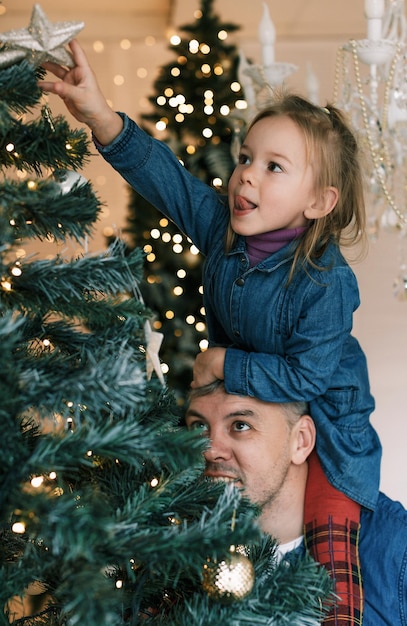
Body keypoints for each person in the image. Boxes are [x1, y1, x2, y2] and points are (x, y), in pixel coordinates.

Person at [40, 40, 382, 624]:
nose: (246, 174)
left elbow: (307, 375)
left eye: (274, 167)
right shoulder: (225, 231)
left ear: (319, 201)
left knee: (331, 533)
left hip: (327, 420)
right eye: (246, 157)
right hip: (252, 406)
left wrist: (221, 362)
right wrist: (99, 115)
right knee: (204, 501)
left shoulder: (326, 282)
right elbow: (167, 180)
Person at [185, 381, 407, 626]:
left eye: (240, 425)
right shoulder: (168, 544)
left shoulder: (397, 549)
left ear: (300, 440)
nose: (210, 450)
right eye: (199, 426)